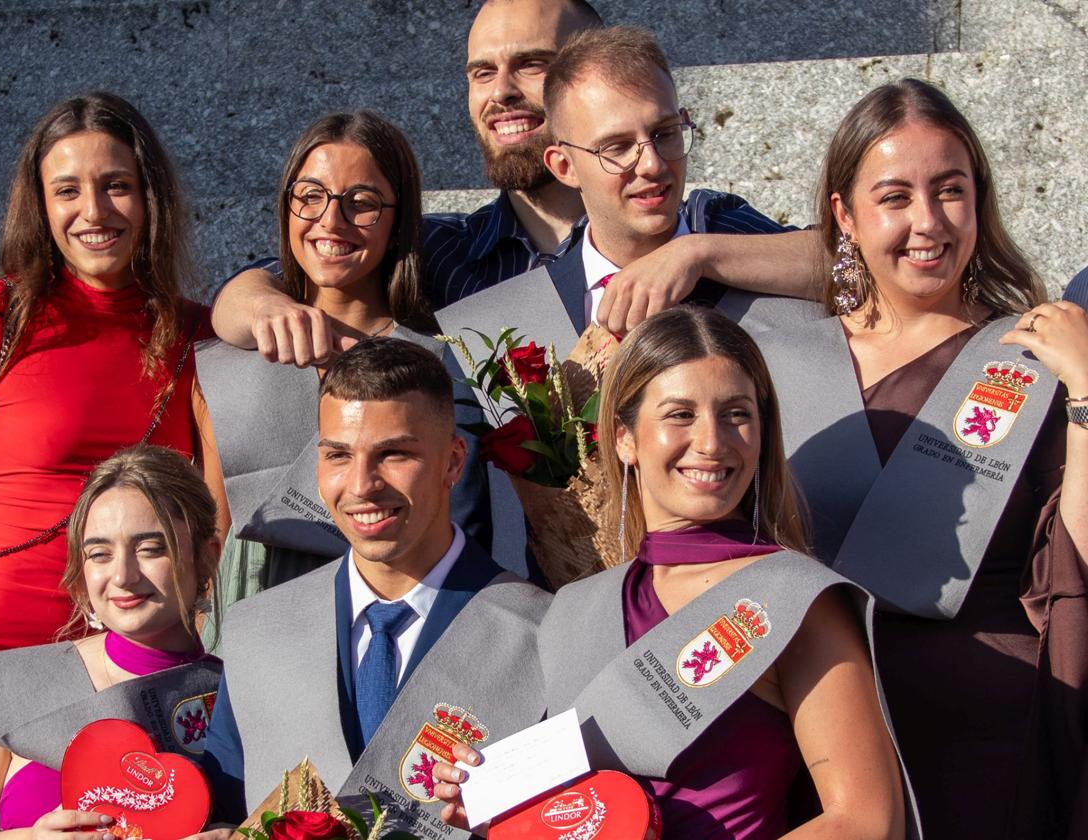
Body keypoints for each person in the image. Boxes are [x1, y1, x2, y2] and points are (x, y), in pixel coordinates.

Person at [754, 78, 1088, 838]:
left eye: (951, 191)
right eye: (895, 197)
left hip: (992, 744)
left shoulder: (1038, 357)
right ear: (844, 213)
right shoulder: (780, 363)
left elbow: (1074, 567)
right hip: (819, 743)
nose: (928, 222)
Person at [433, 306, 908, 838]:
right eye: (680, 414)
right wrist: (494, 805)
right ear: (624, 438)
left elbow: (868, 819)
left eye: (736, 414)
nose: (711, 441)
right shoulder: (577, 605)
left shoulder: (796, 599)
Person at [0, 91, 219, 804]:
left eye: (117, 186)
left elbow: (217, 526)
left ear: (150, 197)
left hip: (135, 655)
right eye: (67, 190)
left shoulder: (197, 337)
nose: (94, 211)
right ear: (40, 207)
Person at [210, 3, 819, 366]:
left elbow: (848, 263)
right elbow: (276, 273)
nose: (501, 91)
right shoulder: (444, 254)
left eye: (531, 64)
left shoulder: (702, 222)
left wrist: (697, 253)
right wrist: (263, 307)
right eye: (482, 72)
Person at [196, 338, 550, 838]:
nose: (361, 484)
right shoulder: (257, 628)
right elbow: (224, 810)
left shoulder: (543, 635)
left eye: (393, 455)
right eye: (338, 455)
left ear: (453, 462)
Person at [197, 110, 495, 617]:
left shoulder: (444, 365)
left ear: (399, 221)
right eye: (310, 197)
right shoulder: (233, 359)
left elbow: (464, 533)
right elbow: (212, 539)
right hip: (254, 626)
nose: (330, 221)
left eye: (362, 203)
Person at [435, 25, 823, 355]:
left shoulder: (725, 234)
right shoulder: (517, 310)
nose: (652, 164)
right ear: (564, 166)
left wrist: (695, 252)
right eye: (616, 148)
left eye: (665, 134)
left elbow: (858, 264)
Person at [0, 445, 223, 839]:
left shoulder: (240, 696)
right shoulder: (12, 684)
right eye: (99, 554)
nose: (123, 575)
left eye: (151, 549)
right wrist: (29, 839)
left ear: (208, 555)